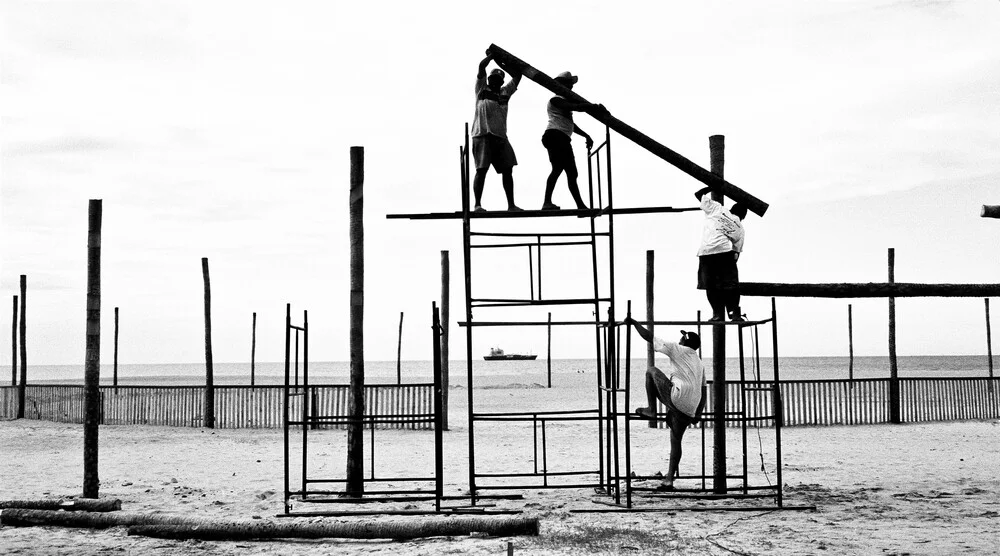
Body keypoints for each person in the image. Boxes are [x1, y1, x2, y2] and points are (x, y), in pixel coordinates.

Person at [623, 316, 706, 491]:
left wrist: (634, 323)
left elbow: (650, 337)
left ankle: (651, 409)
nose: (680, 338)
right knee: (676, 441)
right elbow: (704, 390)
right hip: (690, 407)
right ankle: (669, 480)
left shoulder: (678, 349)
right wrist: (698, 413)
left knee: (651, 372)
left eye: (682, 337)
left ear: (685, 341)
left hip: (677, 397)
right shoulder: (699, 363)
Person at [540, 71, 605, 211]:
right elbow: (574, 107)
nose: (571, 87)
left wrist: (586, 135)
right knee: (569, 172)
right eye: (568, 84)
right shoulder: (556, 100)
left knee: (561, 170)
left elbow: (570, 124)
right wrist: (592, 106)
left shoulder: (563, 102)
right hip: (555, 136)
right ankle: (578, 206)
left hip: (559, 137)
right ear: (562, 85)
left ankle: (550, 203)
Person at [471, 53, 522, 212]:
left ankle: (511, 205)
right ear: (488, 80)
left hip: (500, 136)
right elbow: (481, 67)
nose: (495, 82)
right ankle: (477, 204)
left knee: (508, 169)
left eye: (499, 80)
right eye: (493, 79)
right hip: (482, 134)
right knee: (481, 170)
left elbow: (518, 75)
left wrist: (502, 61)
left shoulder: (505, 92)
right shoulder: (481, 89)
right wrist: (492, 56)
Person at [695, 186, 747, 321]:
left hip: (706, 253)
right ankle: (734, 314)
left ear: (731, 209)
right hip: (724, 253)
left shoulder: (718, 209)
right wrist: (728, 267)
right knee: (731, 285)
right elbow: (736, 253)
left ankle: (717, 314)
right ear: (743, 216)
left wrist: (713, 186)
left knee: (711, 286)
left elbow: (699, 194)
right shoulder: (740, 228)